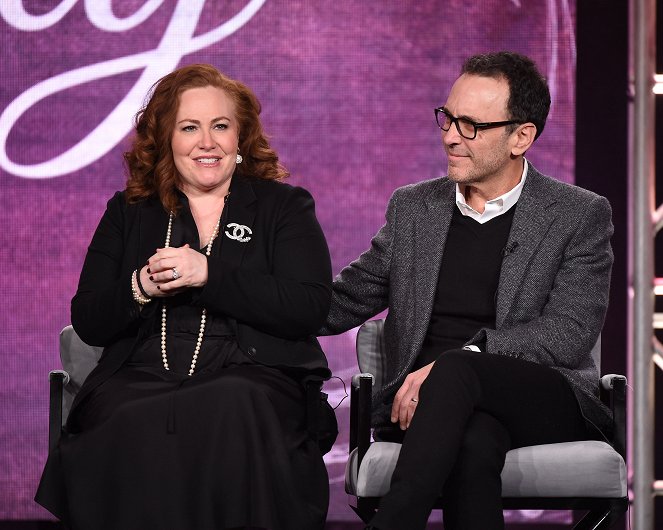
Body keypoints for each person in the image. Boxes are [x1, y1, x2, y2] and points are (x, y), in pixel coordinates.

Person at [321, 51, 614, 530]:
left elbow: (569, 332)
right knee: (474, 445)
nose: (451, 136)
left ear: (522, 136)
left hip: (543, 399)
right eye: (448, 118)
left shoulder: (577, 214)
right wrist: (241, 290)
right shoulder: (415, 207)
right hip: (432, 411)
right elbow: (344, 299)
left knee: (458, 366)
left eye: (471, 125)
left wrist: (462, 359)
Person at [36, 64, 336, 530]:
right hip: (142, 372)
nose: (207, 142)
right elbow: (89, 318)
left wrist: (210, 274)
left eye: (221, 126)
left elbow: (309, 306)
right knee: (122, 415)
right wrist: (140, 286)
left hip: (251, 373)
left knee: (231, 401)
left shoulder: (284, 207)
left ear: (241, 137)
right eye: (189, 127)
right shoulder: (129, 212)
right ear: (165, 139)